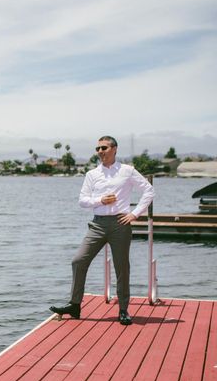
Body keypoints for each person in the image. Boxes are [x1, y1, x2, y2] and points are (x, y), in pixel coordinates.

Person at [50, 135, 154, 325]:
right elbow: (82, 200)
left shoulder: (127, 171)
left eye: (104, 148)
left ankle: (123, 310)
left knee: (121, 267)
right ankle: (74, 305)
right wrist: (100, 201)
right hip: (97, 224)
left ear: (114, 149)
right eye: (98, 149)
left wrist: (135, 214)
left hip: (120, 224)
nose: (100, 152)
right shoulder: (92, 174)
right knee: (78, 261)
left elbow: (149, 191)